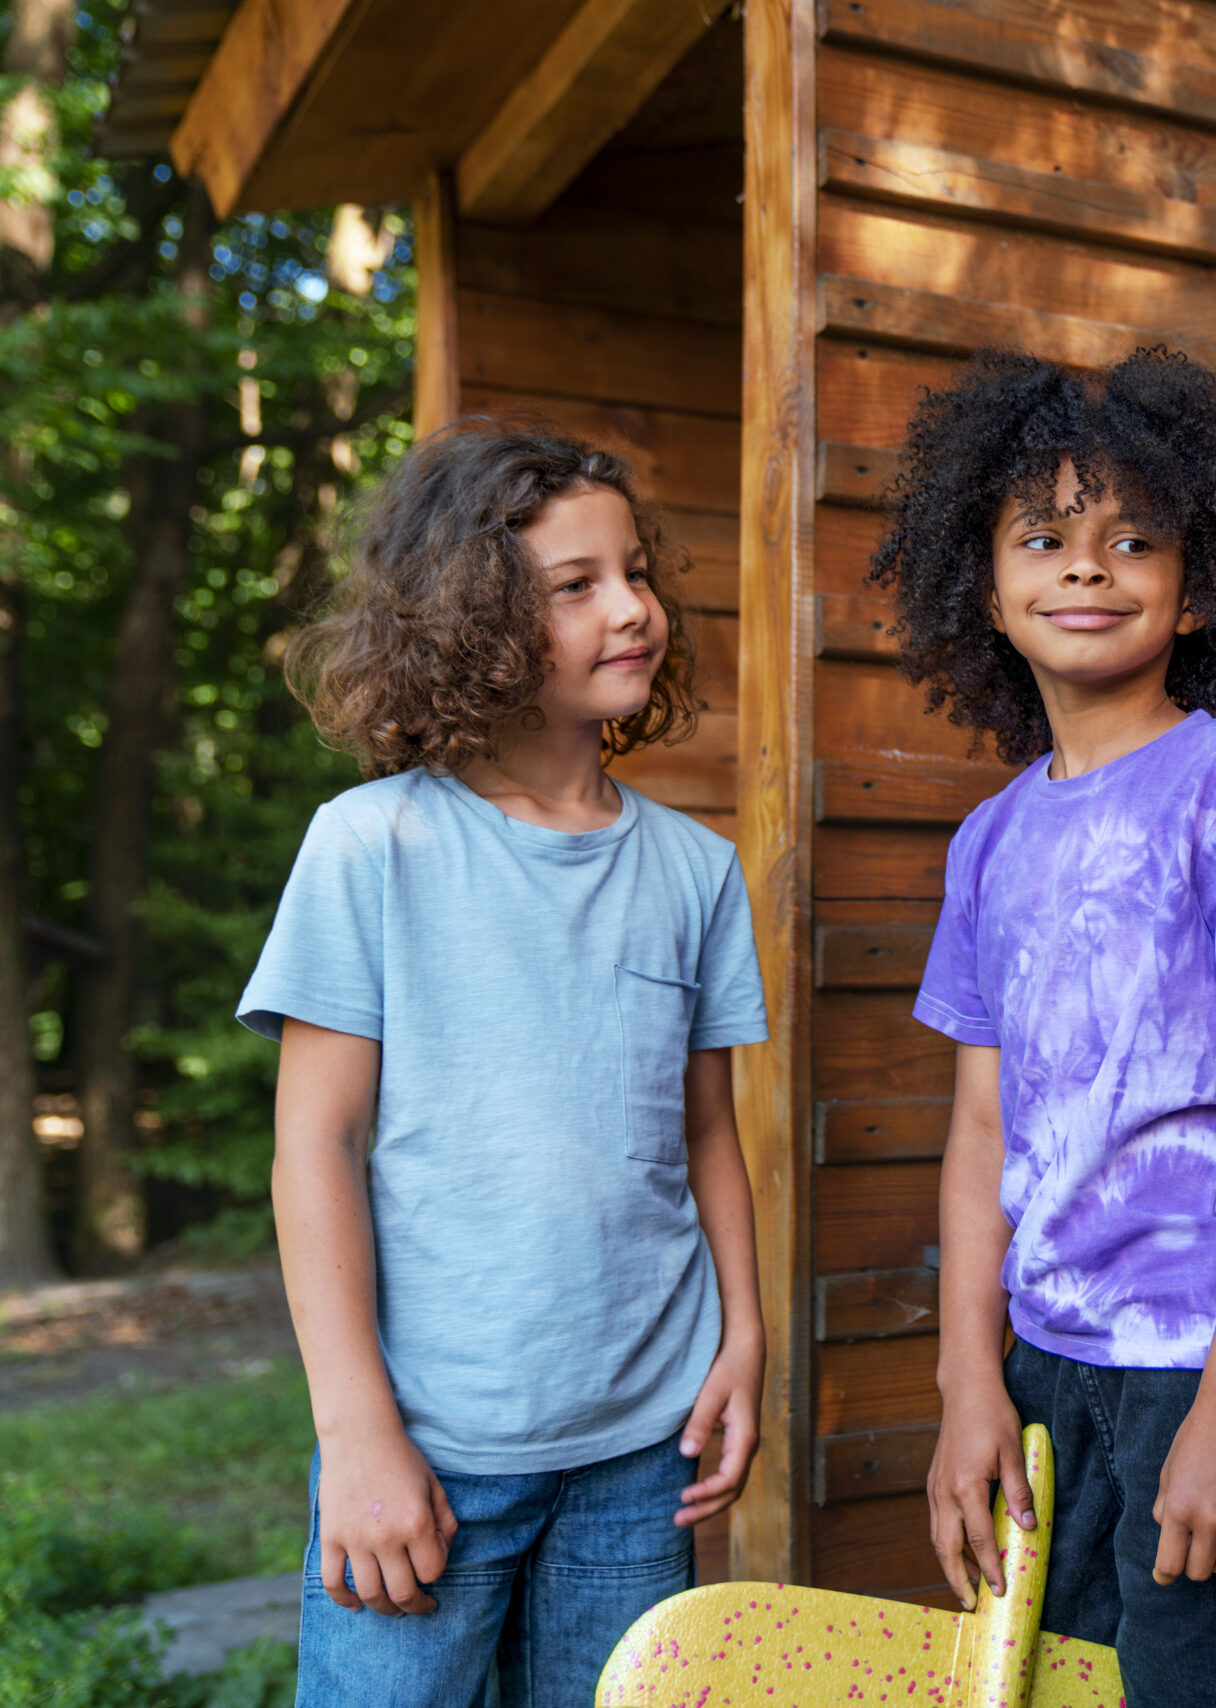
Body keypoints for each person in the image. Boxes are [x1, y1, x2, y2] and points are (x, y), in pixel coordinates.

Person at [240, 424, 768, 1708]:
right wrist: (356, 1433)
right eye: (574, 585)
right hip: (428, 1450)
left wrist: (743, 1335)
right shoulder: (372, 845)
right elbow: (315, 1145)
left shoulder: (696, 869)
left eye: (634, 572)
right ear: (473, 615)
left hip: (643, 1454)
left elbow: (704, 1131)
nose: (632, 608)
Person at [882, 348, 1216, 1708]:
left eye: (1134, 539)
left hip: (1205, 1356)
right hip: (1041, 1374)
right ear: (988, 587)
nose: (1089, 568)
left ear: (1198, 592)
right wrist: (968, 1390)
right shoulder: (991, 838)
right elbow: (979, 1131)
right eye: (1045, 540)